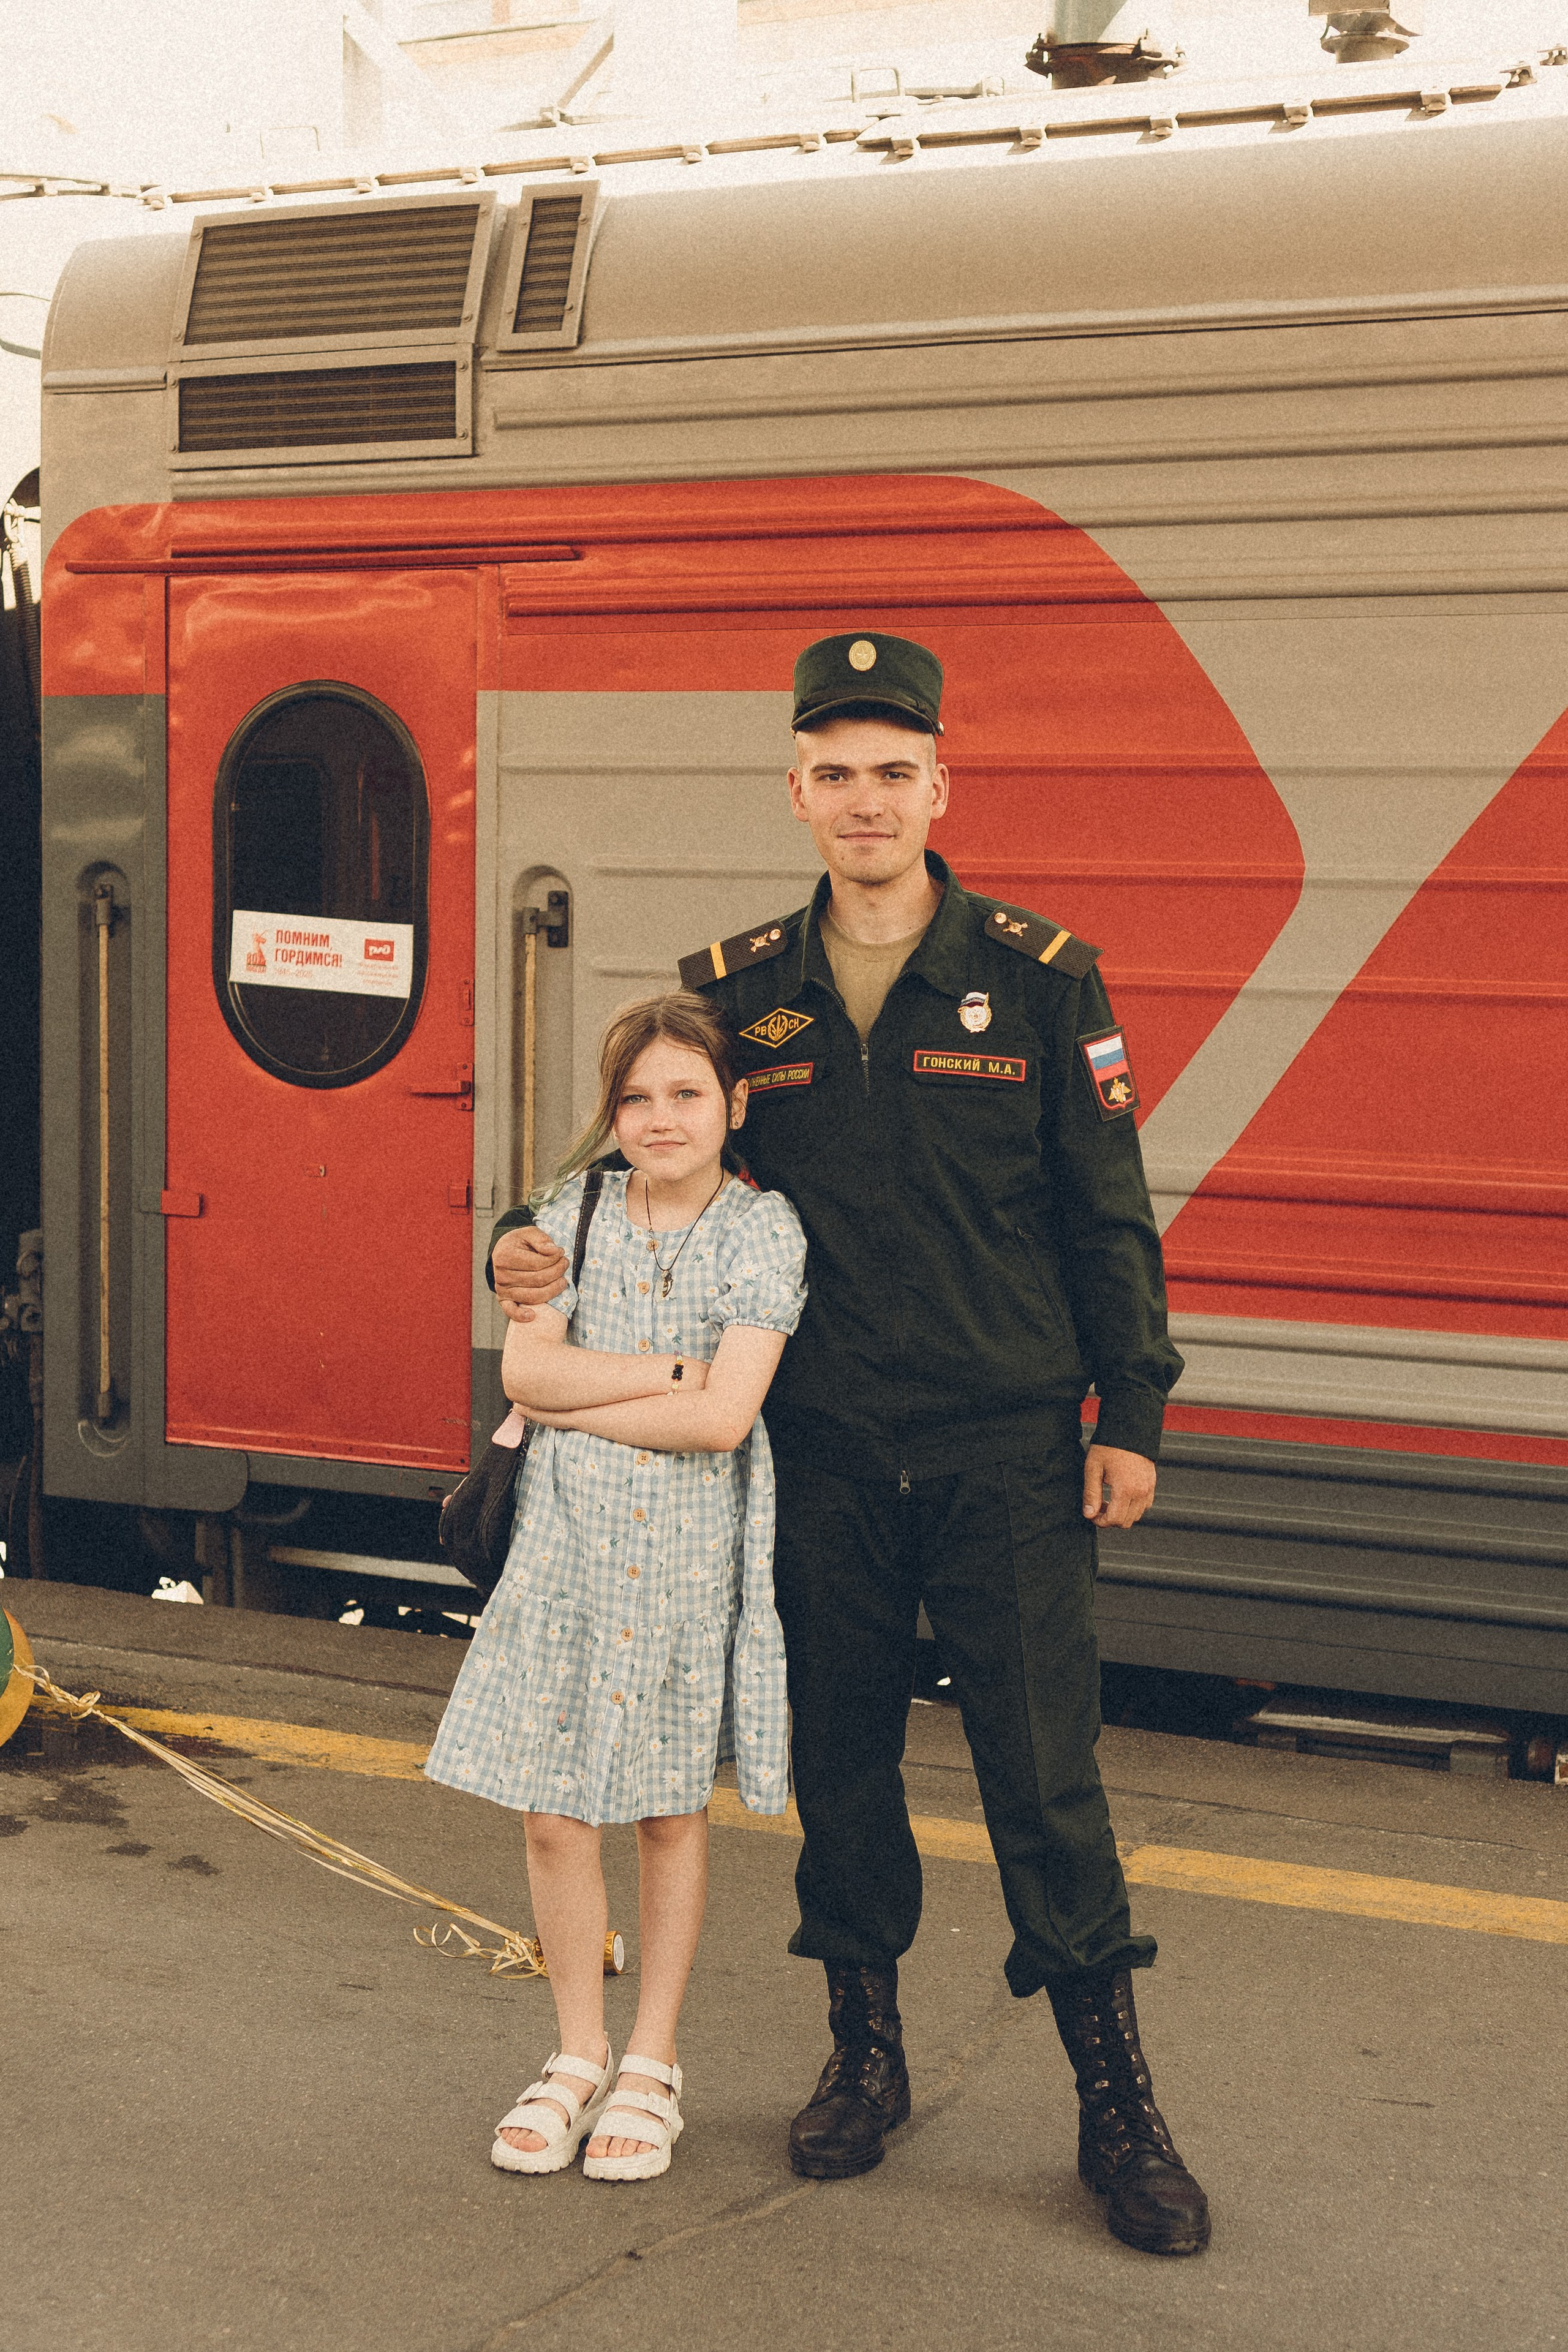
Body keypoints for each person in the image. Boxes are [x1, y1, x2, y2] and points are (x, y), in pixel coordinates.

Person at [489, 633, 1210, 2256]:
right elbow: (625, 1159)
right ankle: (863, 2058)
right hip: (815, 1460)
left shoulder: (1041, 976)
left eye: (896, 769)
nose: (867, 799)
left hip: (1008, 1451)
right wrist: (516, 1249)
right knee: (842, 1773)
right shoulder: (741, 991)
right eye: (837, 771)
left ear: (940, 785)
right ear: (796, 791)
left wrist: (1135, 1412)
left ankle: (1119, 2106)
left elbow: (1109, 1219)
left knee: (1045, 1783)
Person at [427, 992, 805, 2184]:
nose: (658, 1117)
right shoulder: (565, 1214)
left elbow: (722, 1417)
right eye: (635, 1097)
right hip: (562, 1548)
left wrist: (586, 1393)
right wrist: (660, 1368)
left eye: (685, 1093)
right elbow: (525, 1373)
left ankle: (651, 2060)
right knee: (550, 1809)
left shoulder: (763, 1231)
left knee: (661, 1807)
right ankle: (575, 2052)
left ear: (732, 1105)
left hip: (684, 1554)